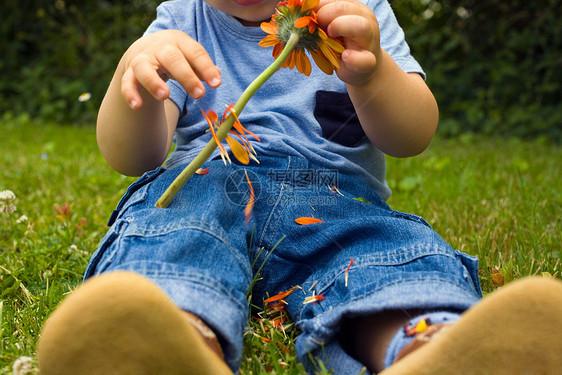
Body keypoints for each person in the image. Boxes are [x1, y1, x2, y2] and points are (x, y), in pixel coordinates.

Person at [37, 0, 562, 374]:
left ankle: (427, 346)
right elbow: (134, 158)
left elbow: (413, 136)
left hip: (334, 199)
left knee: (379, 257)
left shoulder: (357, 12)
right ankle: (170, 337)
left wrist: (373, 73)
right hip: (206, 185)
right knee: (176, 236)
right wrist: (137, 77)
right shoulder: (179, 20)